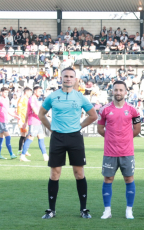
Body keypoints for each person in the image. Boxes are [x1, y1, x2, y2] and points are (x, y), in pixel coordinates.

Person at [38, 67, 98, 219]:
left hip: (75, 137)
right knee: (55, 174)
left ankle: (83, 210)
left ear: (75, 79)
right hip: (57, 137)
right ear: (61, 78)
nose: (68, 79)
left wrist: (79, 126)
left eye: (71, 76)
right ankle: (51, 210)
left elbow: (93, 115)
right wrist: (51, 128)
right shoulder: (52, 96)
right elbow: (41, 114)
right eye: (65, 76)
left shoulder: (80, 97)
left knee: (79, 173)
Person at [97, 81, 141, 220]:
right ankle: (107, 211)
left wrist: (125, 139)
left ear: (126, 92)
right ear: (112, 91)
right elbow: (100, 129)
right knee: (108, 179)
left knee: (129, 178)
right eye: (116, 90)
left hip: (127, 152)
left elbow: (137, 129)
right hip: (109, 152)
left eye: (121, 90)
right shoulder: (104, 110)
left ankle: (129, 210)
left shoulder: (133, 110)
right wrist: (111, 138)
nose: (118, 92)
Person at [20, 86, 49, 162]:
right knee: (30, 138)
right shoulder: (32, 99)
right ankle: (22, 156)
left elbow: (27, 112)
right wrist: (43, 116)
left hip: (38, 122)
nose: (40, 93)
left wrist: (25, 122)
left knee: (41, 138)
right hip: (33, 122)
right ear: (35, 91)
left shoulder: (35, 99)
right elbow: (34, 111)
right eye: (39, 91)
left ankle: (45, 156)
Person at [0, 87, 20, 160]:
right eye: (5, 92)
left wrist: (14, 115)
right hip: (1, 121)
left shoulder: (7, 99)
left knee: (1, 137)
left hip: (5, 120)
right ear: (1, 92)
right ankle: (11, 154)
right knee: (8, 137)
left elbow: (7, 110)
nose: (6, 94)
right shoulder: (0, 99)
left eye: (7, 92)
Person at [16, 87, 32, 157]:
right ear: (26, 92)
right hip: (22, 119)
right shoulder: (22, 98)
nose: (30, 94)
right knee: (25, 134)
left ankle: (21, 151)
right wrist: (19, 117)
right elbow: (19, 108)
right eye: (30, 92)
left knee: (24, 134)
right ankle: (23, 151)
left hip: (25, 118)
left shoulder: (26, 99)